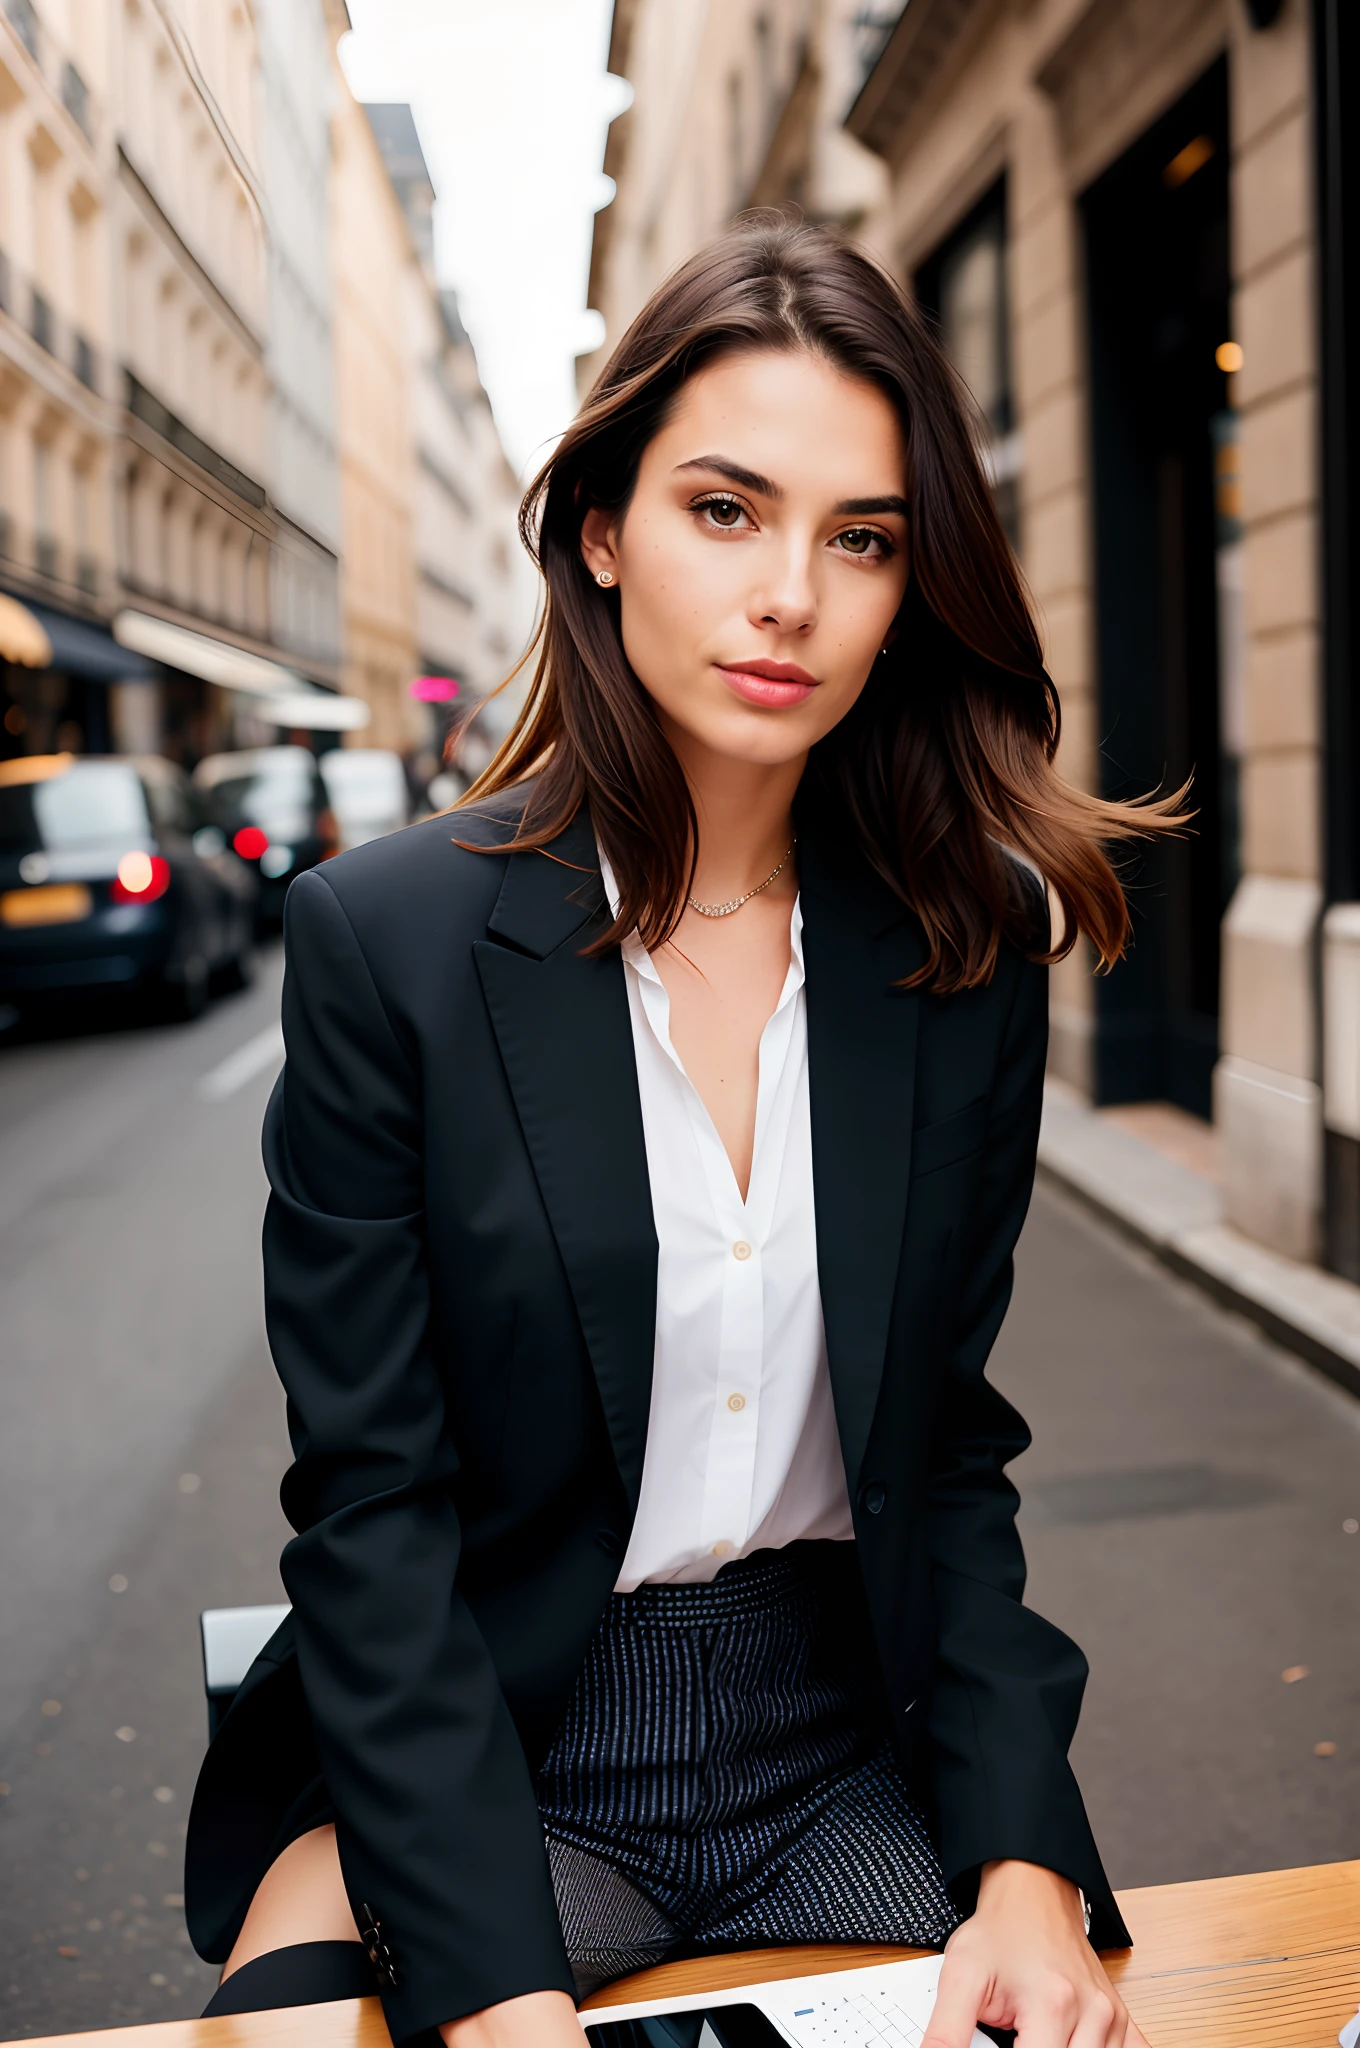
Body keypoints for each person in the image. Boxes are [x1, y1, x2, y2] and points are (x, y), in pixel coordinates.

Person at [185, 217, 1176, 2048]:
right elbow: (373, 1513)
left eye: (861, 538)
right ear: (602, 531)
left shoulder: (960, 954)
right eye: (728, 509)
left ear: (910, 583)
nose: (792, 592)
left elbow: (948, 1454)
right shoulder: (386, 946)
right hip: (508, 1750)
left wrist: (1025, 1864)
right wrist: (494, 1994)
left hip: (837, 1750)